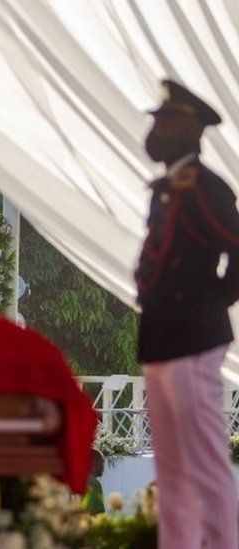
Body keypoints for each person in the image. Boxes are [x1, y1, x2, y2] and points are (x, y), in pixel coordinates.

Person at [135, 79, 239, 548]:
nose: (157, 130)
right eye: (158, 121)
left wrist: (217, 298)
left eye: (168, 122)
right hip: (162, 336)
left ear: (193, 130)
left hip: (193, 336)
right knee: (173, 470)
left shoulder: (205, 187)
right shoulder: (169, 187)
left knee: (205, 463)